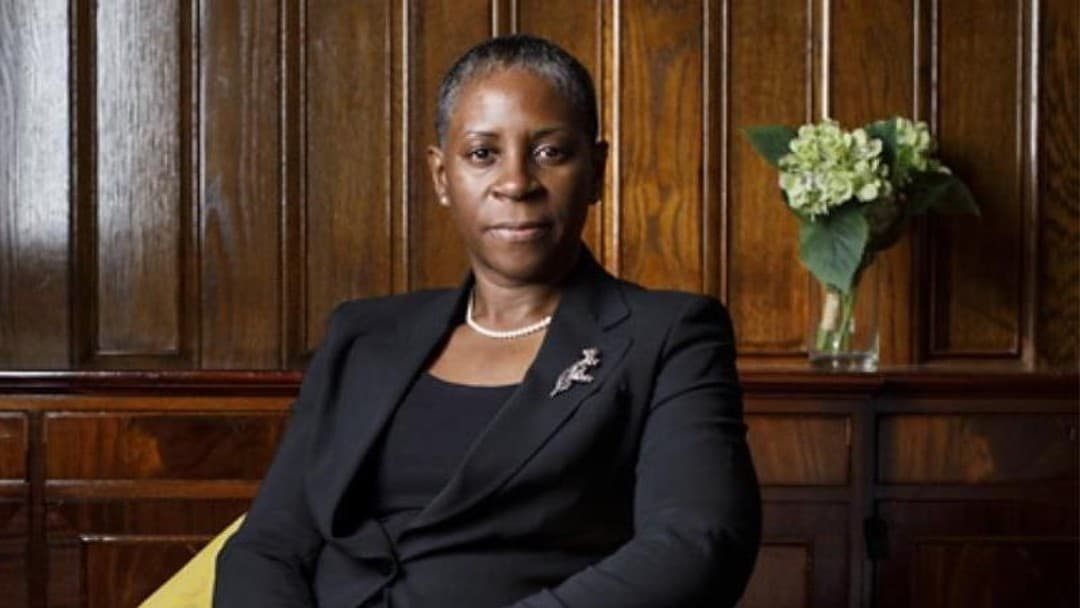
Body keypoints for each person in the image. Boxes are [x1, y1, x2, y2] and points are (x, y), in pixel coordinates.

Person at [214, 34, 761, 608]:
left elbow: (697, 544)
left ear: (597, 171)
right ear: (441, 175)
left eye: (550, 152)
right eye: (482, 154)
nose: (516, 183)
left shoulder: (667, 334)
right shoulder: (362, 334)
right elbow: (268, 547)